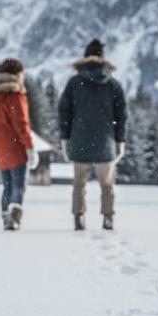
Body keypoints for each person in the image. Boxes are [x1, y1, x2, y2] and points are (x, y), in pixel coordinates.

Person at [58, 39, 126, 231]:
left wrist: (65, 138)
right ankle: (108, 217)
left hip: (79, 141)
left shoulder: (74, 83)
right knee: (107, 185)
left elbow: (64, 112)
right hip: (107, 142)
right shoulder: (113, 85)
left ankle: (79, 217)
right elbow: (121, 116)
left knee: (79, 184)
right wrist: (120, 140)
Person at [0, 58, 38, 231]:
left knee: (7, 185)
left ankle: (5, 216)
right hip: (15, 147)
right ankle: (13, 218)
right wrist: (30, 147)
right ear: (16, 75)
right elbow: (22, 124)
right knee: (18, 185)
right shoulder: (15, 96)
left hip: (0, 147)